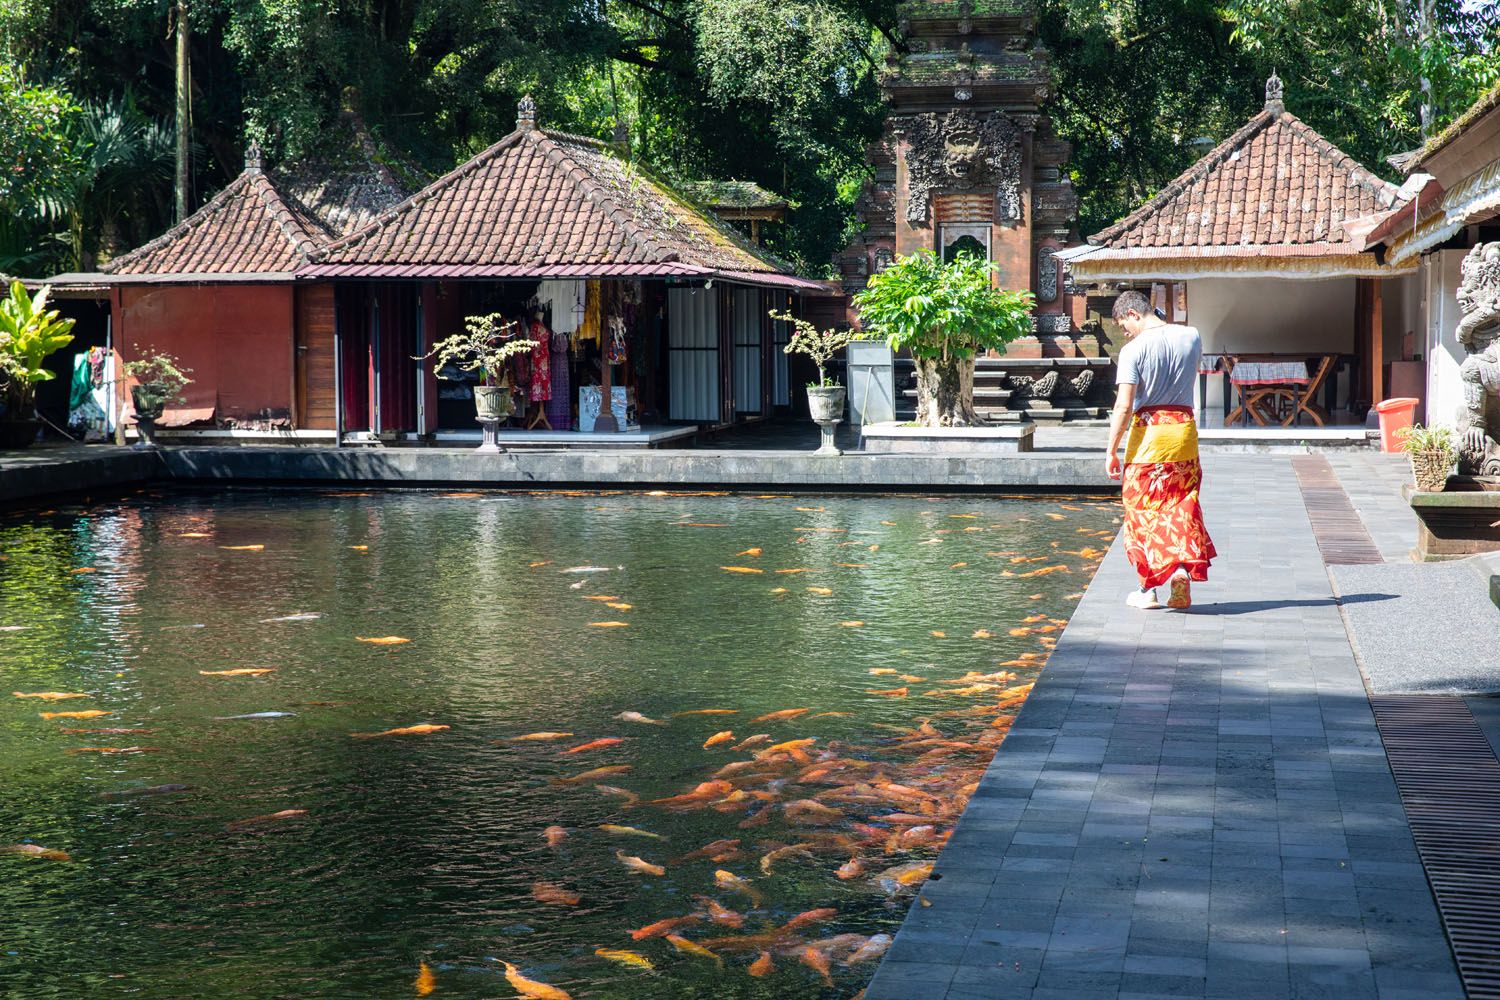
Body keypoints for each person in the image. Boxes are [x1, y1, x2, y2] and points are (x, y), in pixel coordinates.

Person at [1104, 290, 1216, 609]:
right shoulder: (1191, 336)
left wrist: (1111, 449)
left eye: (1125, 327)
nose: (1126, 334)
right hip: (1183, 431)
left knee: (1142, 510)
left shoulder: (1132, 351)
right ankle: (1180, 568)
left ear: (1133, 315)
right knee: (1181, 503)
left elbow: (1124, 405)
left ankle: (1148, 589)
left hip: (1149, 435)